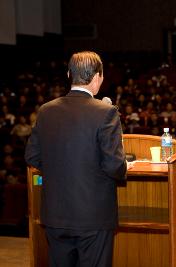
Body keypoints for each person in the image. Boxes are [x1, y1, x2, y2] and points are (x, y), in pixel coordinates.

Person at [25, 51, 128, 267]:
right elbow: (115, 166)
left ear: (69, 74)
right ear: (98, 76)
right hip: (93, 217)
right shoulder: (106, 112)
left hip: (55, 215)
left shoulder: (45, 111)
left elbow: (32, 156)